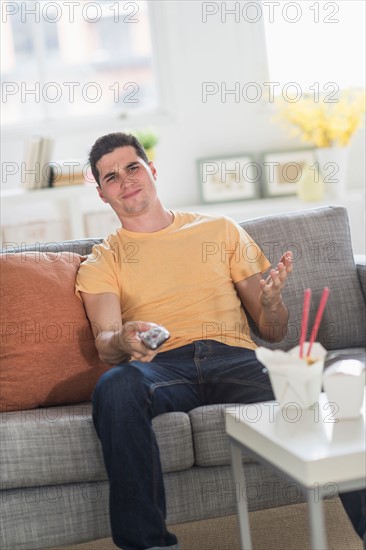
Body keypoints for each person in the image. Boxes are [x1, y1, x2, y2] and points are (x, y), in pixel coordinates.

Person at [75, 133, 363, 550]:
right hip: (161, 365)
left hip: (235, 358)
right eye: (111, 177)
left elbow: (273, 329)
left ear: (151, 170)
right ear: (102, 193)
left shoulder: (218, 230)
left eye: (132, 167)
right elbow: (104, 342)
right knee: (114, 387)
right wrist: (122, 339)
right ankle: (149, 545)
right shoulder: (103, 259)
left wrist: (271, 300)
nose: (126, 181)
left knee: (326, 385)